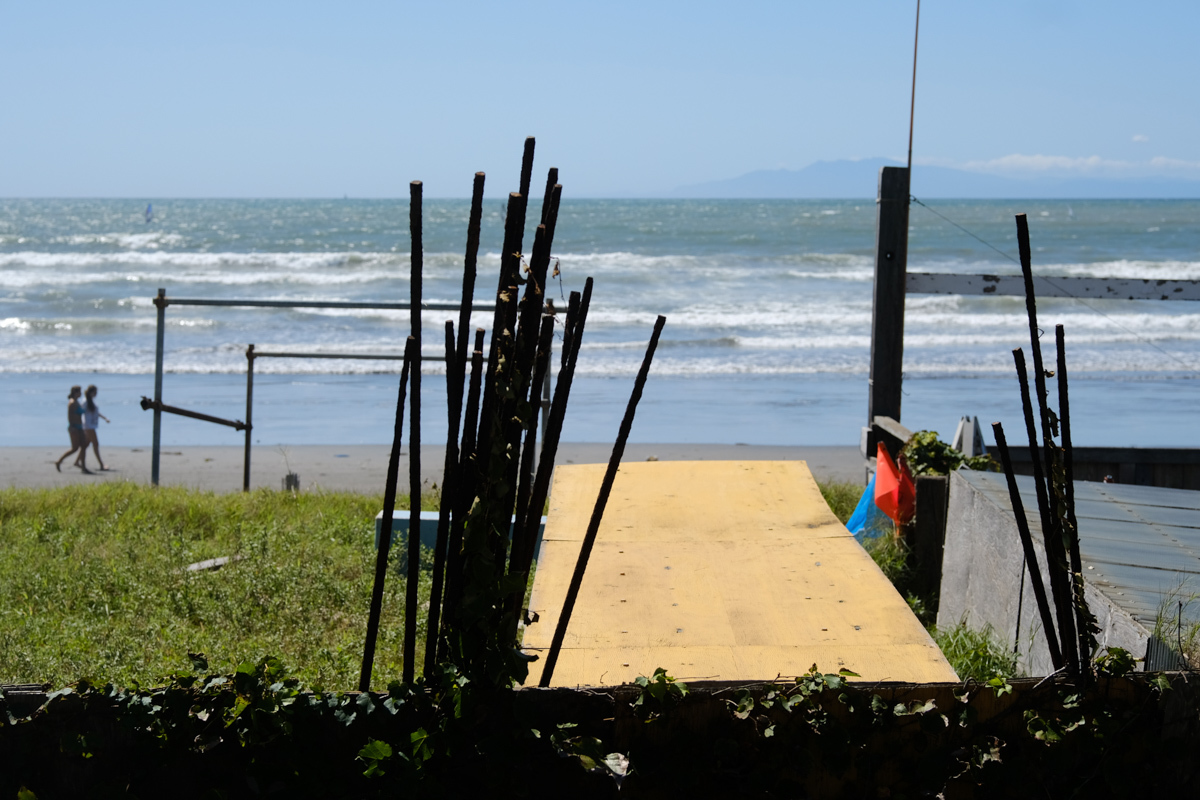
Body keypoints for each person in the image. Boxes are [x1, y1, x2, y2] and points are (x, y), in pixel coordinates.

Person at [55, 386, 90, 473]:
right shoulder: (72, 403)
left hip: (80, 427)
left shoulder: (77, 402)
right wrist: (72, 427)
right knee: (75, 448)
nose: (80, 394)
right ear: (75, 393)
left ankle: (83, 467)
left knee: (84, 446)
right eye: (79, 392)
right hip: (74, 427)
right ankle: (59, 461)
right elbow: (70, 417)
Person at [81, 384, 110, 471]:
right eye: (95, 392)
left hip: (92, 425)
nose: (96, 394)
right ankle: (101, 464)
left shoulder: (92, 401)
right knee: (96, 444)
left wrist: (105, 418)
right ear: (91, 392)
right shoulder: (85, 401)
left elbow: (96, 412)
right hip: (88, 426)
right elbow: (81, 412)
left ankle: (77, 462)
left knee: (85, 445)